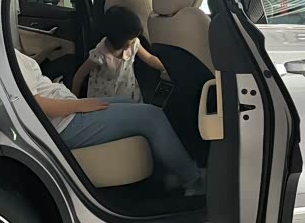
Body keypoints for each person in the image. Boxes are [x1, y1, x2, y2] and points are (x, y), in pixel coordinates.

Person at [15, 49, 203, 195]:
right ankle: (193, 181)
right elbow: (36, 105)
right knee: (152, 116)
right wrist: (80, 105)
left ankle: (170, 172)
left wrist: (78, 103)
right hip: (63, 123)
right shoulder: (5, 53)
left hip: (64, 113)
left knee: (133, 103)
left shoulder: (7, 51)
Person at [71, 5, 166, 101]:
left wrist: (166, 68)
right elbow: (79, 76)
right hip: (104, 100)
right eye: (131, 38)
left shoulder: (133, 44)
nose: (135, 40)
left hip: (129, 95)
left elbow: (149, 58)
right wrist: (75, 100)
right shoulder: (100, 55)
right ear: (119, 38)